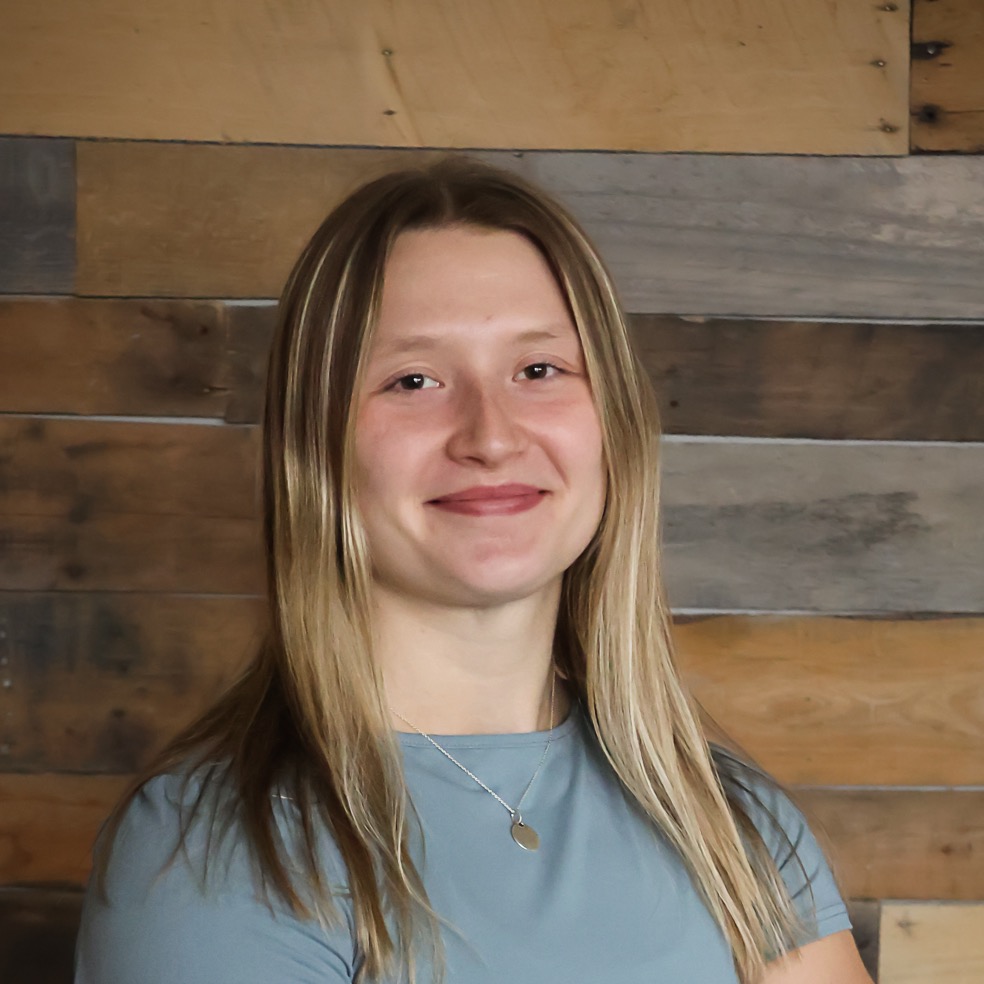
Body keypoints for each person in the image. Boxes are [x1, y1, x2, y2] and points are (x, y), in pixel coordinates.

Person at [75, 158, 873, 984]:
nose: (491, 436)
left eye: (538, 370)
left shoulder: (728, 820)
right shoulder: (217, 849)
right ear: (317, 444)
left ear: (615, 421)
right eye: (413, 380)